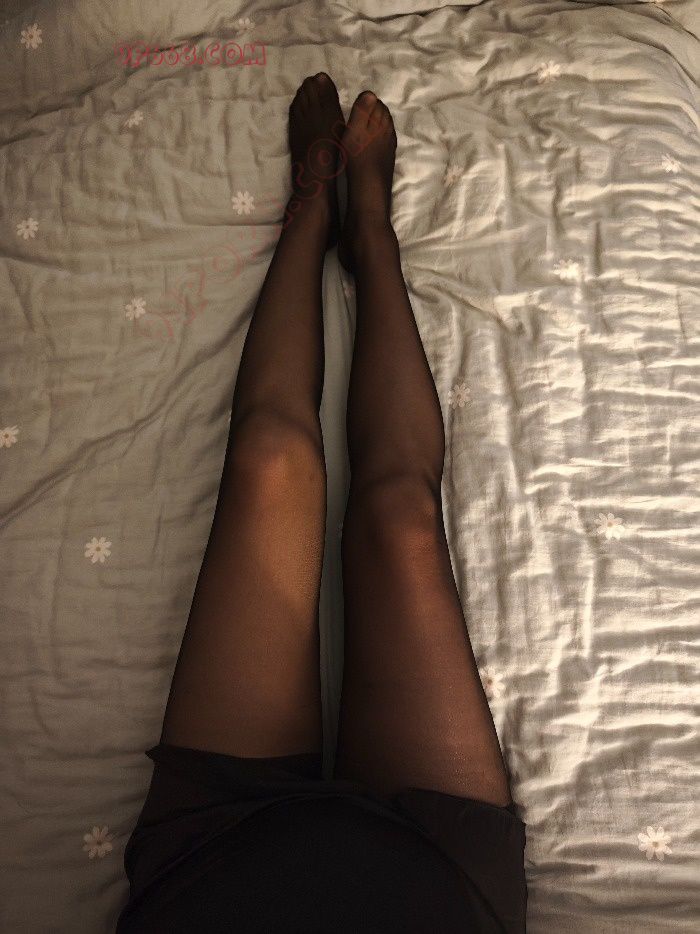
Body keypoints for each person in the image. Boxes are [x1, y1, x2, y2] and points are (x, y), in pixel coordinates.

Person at [116, 72, 527, 933]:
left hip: (215, 856)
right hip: (438, 878)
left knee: (268, 459)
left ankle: (323, 216)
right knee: (401, 519)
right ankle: (362, 232)